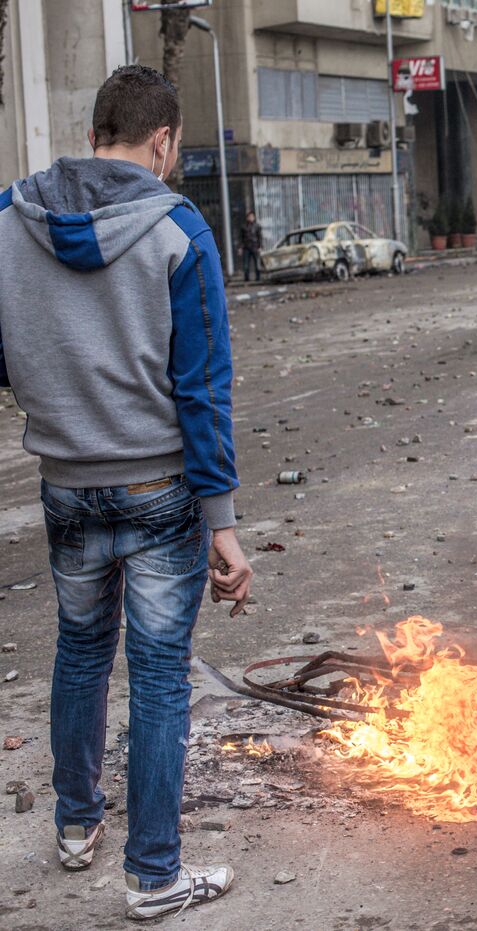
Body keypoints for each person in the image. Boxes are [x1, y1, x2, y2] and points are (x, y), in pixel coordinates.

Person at [0, 64, 250, 921]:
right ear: (164, 140)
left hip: (65, 485)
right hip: (158, 488)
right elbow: (203, 387)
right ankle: (153, 876)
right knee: (156, 678)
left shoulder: (9, 219)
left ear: (96, 128)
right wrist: (223, 525)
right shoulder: (179, 227)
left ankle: (75, 827)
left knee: (77, 653)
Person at [239, 210, 262, 282]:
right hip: (246, 247)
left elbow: (260, 237)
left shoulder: (257, 226)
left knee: (257, 264)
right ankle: (246, 279)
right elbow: (241, 238)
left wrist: (260, 247)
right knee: (246, 265)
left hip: (255, 247)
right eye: (249, 216)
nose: (251, 218)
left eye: (252, 216)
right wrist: (240, 248)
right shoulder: (243, 226)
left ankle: (258, 278)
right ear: (247, 218)